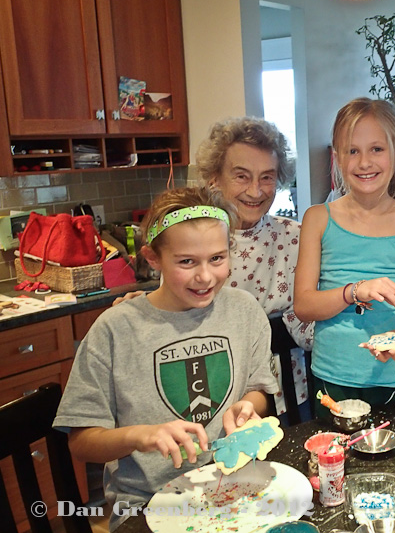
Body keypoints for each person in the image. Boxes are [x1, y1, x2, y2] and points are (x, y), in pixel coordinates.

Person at [54, 187, 279, 530]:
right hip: (145, 506)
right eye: (187, 261)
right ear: (154, 258)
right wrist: (140, 436)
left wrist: (247, 406)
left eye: (217, 258)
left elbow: (258, 391)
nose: (205, 276)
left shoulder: (245, 311)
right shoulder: (114, 330)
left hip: (231, 488)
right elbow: (82, 441)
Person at [117, 117, 312, 419]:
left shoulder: (297, 237)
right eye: (241, 176)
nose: (256, 191)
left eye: (267, 177)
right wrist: (140, 311)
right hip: (212, 399)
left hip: (288, 393)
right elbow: (170, 307)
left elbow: (311, 323)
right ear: (214, 178)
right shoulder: (194, 236)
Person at [294, 98, 395, 414]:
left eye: (377, 149)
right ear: (337, 157)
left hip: (392, 378)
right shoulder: (318, 218)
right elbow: (304, 306)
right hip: (331, 376)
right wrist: (354, 291)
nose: (364, 162)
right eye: (352, 151)